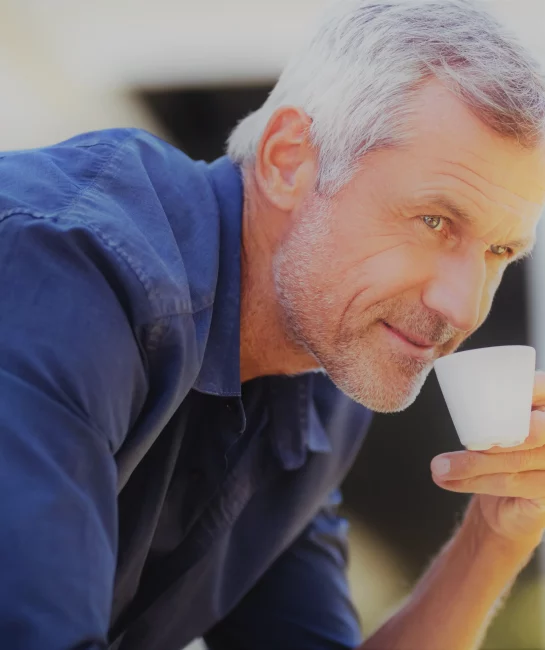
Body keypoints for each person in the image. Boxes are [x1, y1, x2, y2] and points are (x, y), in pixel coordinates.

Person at [2, 0, 545, 648]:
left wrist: (496, 534)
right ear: (289, 159)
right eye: (433, 220)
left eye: (498, 252)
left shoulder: (316, 372)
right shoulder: (64, 272)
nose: (463, 307)